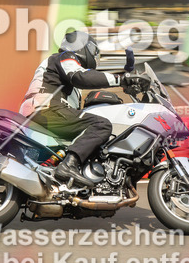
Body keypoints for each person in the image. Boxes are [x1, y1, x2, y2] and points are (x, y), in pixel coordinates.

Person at [19, 31, 123, 186]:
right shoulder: (65, 57)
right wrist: (121, 79)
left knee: (85, 132)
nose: (95, 56)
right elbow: (80, 76)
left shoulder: (68, 79)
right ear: (82, 46)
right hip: (46, 109)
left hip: (44, 111)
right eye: (93, 51)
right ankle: (69, 165)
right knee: (101, 125)